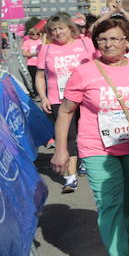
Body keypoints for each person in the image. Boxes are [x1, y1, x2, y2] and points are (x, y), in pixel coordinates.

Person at [50, 17, 129, 256]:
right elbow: (66, 112)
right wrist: (62, 148)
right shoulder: (84, 72)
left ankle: (127, 238)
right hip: (96, 147)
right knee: (108, 204)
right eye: (102, 39)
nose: (108, 44)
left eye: (114, 38)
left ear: (127, 42)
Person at [36, 13, 96, 193]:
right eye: (53, 30)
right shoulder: (46, 50)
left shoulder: (85, 44)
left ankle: (84, 160)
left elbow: (98, 67)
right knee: (67, 137)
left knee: (86, 133)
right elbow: (40, 76)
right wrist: (43, 97)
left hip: (86, 97)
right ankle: (71, 177)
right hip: (59, 100)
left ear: (70, 28)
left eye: (60, 28)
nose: (57, 33)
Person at [22, 25, 43, 96]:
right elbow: (24, 54)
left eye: (37, 33)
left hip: (42, 63)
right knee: (35, 79)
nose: (35, 35)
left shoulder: (42, 41)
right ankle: (36, 94)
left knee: (44, 80)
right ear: (30, 35)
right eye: (33, 34)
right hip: (32, 64)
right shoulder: (27, 42)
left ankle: (43, 94)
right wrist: (35, 54)